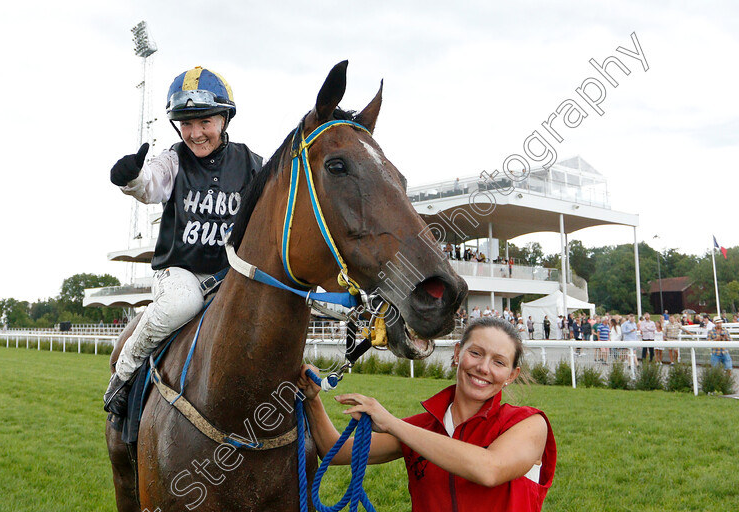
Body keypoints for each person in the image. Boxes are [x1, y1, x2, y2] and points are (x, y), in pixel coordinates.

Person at [103, 66, 263, 414]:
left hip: (230, 274)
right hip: (180, 273)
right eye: (186, 123)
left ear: (224, 119)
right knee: (182, 304)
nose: (195, 133)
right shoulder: (173, 159)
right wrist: (131, 178)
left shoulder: (252, 164)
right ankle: (125, 373)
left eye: (204, 122)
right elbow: (151, 182)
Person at [298, 317, 557, 511]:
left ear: (512, 375)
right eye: (475, 353)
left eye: (499, 362)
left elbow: (489, 469)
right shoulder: (423, 427)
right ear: (457, 354)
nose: (483, 367)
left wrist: (392, 423)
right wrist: (313, 399)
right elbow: (335, 451)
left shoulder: (529, 424)